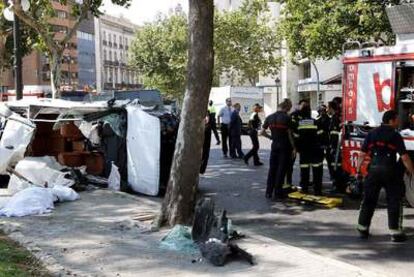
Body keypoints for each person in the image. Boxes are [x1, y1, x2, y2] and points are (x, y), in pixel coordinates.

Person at [356, 110, 414, 242]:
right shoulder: (395, 136)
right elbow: (404, 157)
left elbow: (361, 154)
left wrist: (358, 170)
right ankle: (395, 232)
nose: (399, 121)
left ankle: (363, 228)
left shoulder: (372, 133)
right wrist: (412, 171)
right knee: (394, 200)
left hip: (373, 171)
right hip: (390, 172)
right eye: (397, 119)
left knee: (369, 200)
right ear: (391, 121)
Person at [261, 99, 296, 200]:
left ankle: (268, 192)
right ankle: (278, 192)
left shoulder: (269, 117)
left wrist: (271, 137)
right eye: (289, 108)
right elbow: (289, 135)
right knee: (281, 169)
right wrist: (294, 148)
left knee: (272, 169)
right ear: (286, 108)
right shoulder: (287, 118)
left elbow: (262, 132)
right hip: (285, 147)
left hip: (274, 145)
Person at [294, 105, 324, 195]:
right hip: (315, 150)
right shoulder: (316, 122)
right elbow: (321, 136)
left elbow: (296, 138)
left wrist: (297, 149)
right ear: (310, 112)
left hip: (304, 151)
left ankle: (304, 189)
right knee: (317, 171)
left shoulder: (299, 124)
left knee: (304, 170)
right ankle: (317, 191)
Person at [286, 100, 308, 186]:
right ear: (299, 105)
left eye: (306, 106)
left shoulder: (306, 115)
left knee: (304, 164)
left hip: (303, 143)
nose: (305, 107)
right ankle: (288, 182)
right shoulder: (293, 115)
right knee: (290, 164)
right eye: (303, 105)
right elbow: (290, 130)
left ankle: (304, 182)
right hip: (294, 143)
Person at [327, 101, 346, 192]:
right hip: (337, 146)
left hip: (336, 147)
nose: (327, 109)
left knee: (336, 166)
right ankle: (340, 185)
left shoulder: (335, 118)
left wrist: (332, 147)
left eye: (328, 107)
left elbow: (334, 134)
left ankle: (338, 186)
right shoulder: (336, 117)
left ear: (331, 108)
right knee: (337, 166)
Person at [317, 104, 333, 179]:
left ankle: (332, 177)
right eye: (321, 111)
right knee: (319, 162)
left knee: (330, 161)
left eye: (323, 111)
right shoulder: (317, 120)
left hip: (328, 143)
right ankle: (318, 178)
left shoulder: (330, 120)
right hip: (320, 143)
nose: (322, 112)